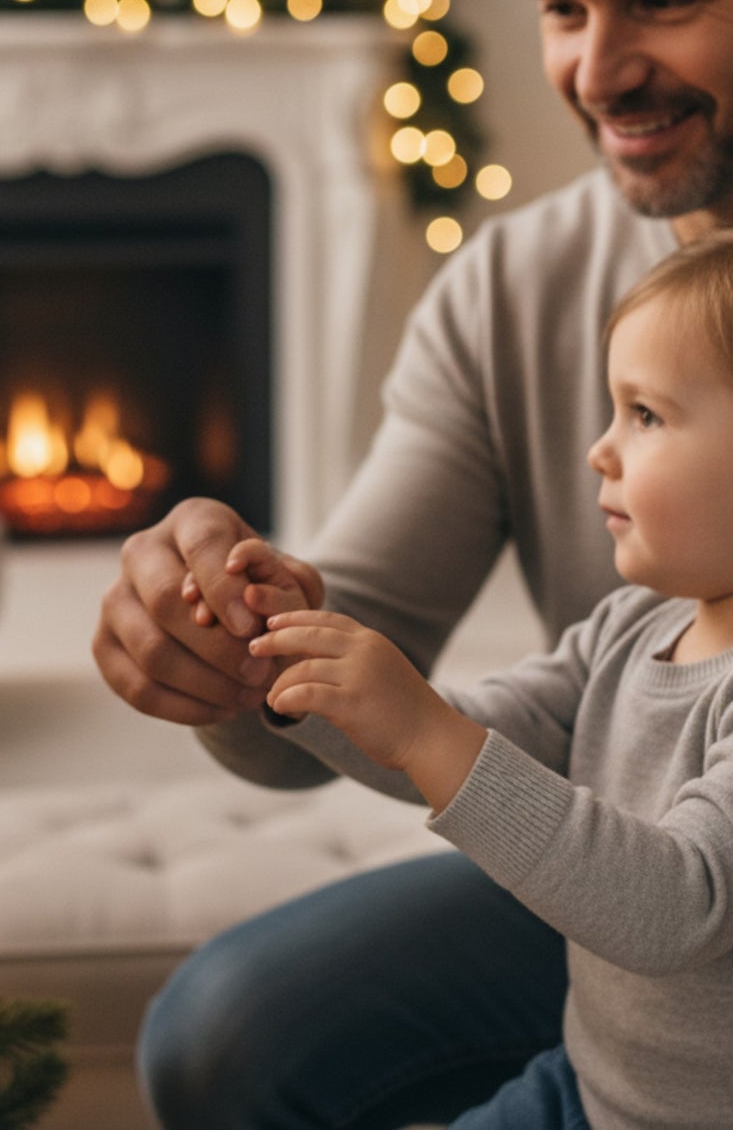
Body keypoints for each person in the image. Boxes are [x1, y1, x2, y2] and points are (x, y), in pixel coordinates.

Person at [89, 0, 733, 1128]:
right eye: (563, 8)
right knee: (229, 1033)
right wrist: (233, 628)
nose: (596, 70)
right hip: (630, 894)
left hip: (697, 898)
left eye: (667, 0)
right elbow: (366, 683)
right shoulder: (516, 281)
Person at [245, 231, 733, 1127]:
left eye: (645, 414)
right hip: (586, 1090)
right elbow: (461, 731)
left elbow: (675, 904)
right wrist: (292, 659)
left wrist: (427, 732)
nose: (599, 449)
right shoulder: (629, 628)